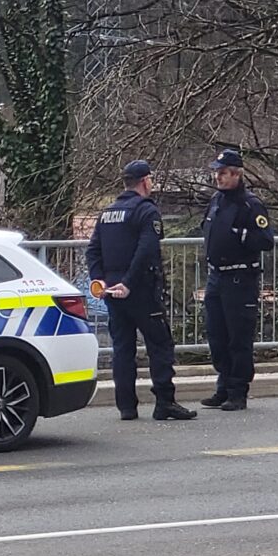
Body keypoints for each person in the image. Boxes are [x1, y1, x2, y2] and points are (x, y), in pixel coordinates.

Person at [86, 160, 196, 423]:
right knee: (160, 344)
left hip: (112, 292)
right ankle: (164, 402)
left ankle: (126, 406)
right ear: (145, 181)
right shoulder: (146, 211)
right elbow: (146, 251)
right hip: (141, 291)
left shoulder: (108, 213)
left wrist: (100, 282)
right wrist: (130, 283)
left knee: (123, 349)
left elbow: (93, 251)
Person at [200, 147, 275, 411]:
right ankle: (223, 386)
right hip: (216, 278)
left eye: (222, 173)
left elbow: (266, 241)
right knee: (216, 335)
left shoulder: (250, 204)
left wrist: (240, 234)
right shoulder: (216, 201)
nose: (217, 178)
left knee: (238, 338)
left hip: (240, 279)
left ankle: (238, 391)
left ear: (236, 174)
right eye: (216, 173)